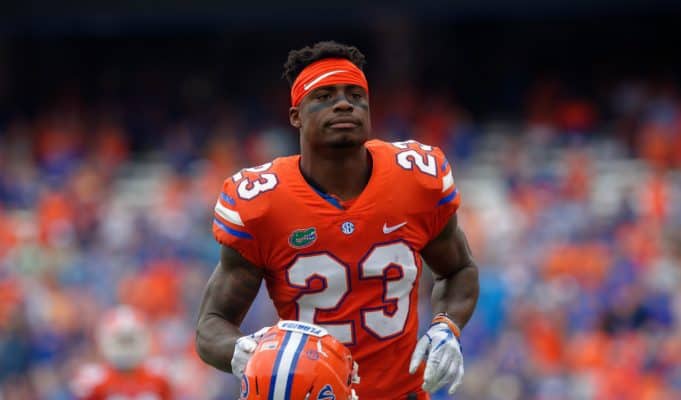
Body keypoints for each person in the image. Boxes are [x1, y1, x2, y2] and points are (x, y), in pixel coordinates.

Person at [195, 40, 479, 399]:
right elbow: (212, 324)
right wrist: (245, 353)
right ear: (296, 114)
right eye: (325, 95)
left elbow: (458, 269)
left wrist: (446, 326)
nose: (344, 103)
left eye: (356, 95)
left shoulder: (415, 179)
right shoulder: (262, 203)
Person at [71, 305, 172, 400]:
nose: (126, 347)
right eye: (121, 341)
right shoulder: (94, 380)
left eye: (130, 340)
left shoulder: (159, 376)